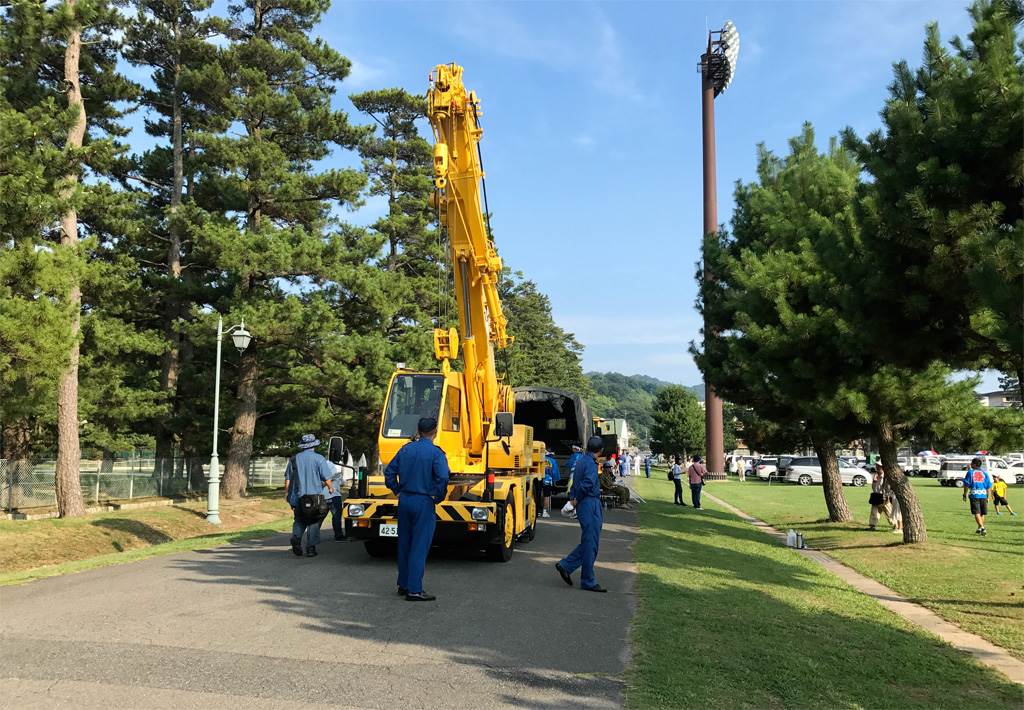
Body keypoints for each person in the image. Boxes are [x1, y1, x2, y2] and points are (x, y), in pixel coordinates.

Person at [384, 417, 450, 601]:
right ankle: (414, 589)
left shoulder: (406, 449)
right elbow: (443, 476)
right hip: (423, 501)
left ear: (418, 431)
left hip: (405, 499)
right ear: (435, 431)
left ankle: (403, 584)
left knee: (405, 544)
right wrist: (438, 495)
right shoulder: (436, 453)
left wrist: (397, 489)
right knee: (419, 546)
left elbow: (389, 472)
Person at [555, 435, 607, 592]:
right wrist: (577, 499)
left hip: (584, 503)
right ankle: (588, 580)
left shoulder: (582, 461)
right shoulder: (591, 463)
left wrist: (574, 498)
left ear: (587, 448)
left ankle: (567, 565)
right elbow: (588, 483)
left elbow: (576, 482)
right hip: (589, 502)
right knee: (591, 542)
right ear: (601, 450)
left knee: (589, 541)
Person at [284, 434, 335, 558]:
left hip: (297, 496)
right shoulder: (319, 459)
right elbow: (326, 477)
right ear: (314, 446)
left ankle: (296, 537)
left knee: (299, 519)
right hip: (314, 497)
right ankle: (311, 548)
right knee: (313, 521)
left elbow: (288, 478)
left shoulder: (294, 459)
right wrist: (330, 487)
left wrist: (286, 492)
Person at [962, 457, 992, 536]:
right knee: (982, 513)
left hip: (974, 494)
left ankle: (982, 527)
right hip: (983, 495)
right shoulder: (985, 473)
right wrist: (988, 497)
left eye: (971, 463)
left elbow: (967, 484)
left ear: (974, 464)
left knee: (976, 512)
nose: (971, 464)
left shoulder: (970, 473)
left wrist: (964, 494)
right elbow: (988, 487)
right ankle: (979, 527)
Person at [325, 450, 351, 542]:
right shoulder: (334, 465)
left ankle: (312, 537)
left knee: (319, 517)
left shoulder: (325, 464)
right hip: (333, 494)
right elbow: (327, 479)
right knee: (336, 516)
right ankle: (338, 535)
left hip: (322, 495)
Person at [867, 464, 893, 531]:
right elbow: (874, 485)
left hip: (884, 497)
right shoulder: (876, 476)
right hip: (876, 496)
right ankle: (872, 526)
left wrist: (888, 495)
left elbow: (888, 487)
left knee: (889, 512)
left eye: (879, 468)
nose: (877, 470)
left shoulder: (885, 477)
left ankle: (896, 524)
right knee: (874, 512)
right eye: (877, 468)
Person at [542, 452, 559, 518]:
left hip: (539, 478)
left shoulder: (540, 458)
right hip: (548, 480)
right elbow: (554, 472)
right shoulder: (552, 461)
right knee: (546, 496)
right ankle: (544, 511)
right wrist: (555, 479)